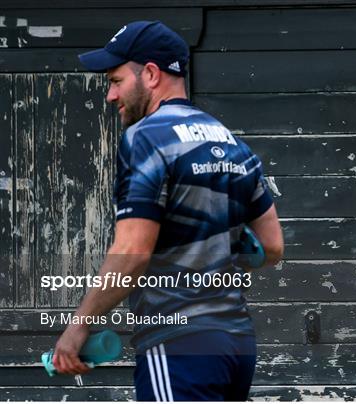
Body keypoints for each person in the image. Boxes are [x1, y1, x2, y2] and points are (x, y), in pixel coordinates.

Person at [52, 20, 284, 401]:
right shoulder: (232, 143)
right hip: (236, 344)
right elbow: (272, 247)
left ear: (152, 74)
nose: (111, 95)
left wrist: (78, 326)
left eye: (116, 80)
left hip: (178, 344)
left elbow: (132, 252)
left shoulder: (146, 138)